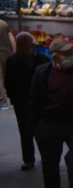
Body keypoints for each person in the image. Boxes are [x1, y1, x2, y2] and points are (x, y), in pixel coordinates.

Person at [29, 37, 73, 188]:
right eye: (65, 53)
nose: (70, 55)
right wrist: (35, 126)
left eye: (70, 52)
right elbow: (34, 101)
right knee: (49, 162)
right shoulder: (42, 73)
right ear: (54, 56)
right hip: (48, 124)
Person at [5, 32, 50, 171]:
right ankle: (28, 159)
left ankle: (47, 157)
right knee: (25, 131)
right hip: (21, 100)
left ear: (30, 45)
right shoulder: (12, 60)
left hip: (40, 101)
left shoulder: (42, 59)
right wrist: (12, 97)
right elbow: (8, 81)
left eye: (21, 45)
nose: (19, 48)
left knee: (42, 131)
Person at [0, 18, 14, 109]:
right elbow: (11, 39)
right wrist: (14, 52)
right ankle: (11, 97)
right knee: (6, 77)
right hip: (6, 54)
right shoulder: (3, 23)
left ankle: (2, 101)